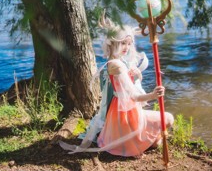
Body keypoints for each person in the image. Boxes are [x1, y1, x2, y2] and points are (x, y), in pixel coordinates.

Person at [59, 11, 174, 157]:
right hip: (122, 116)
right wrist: (153, 95)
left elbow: (131, 88)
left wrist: (137, 75)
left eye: (128, 43)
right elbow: (133, 96)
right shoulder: (116, 65)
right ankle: (130, 140)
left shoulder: (122, 62)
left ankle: (141, 140)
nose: (126, 47)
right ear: (112, 43)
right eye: (122, 43)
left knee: (164, 126)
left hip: (129, 111)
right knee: (168, 119)